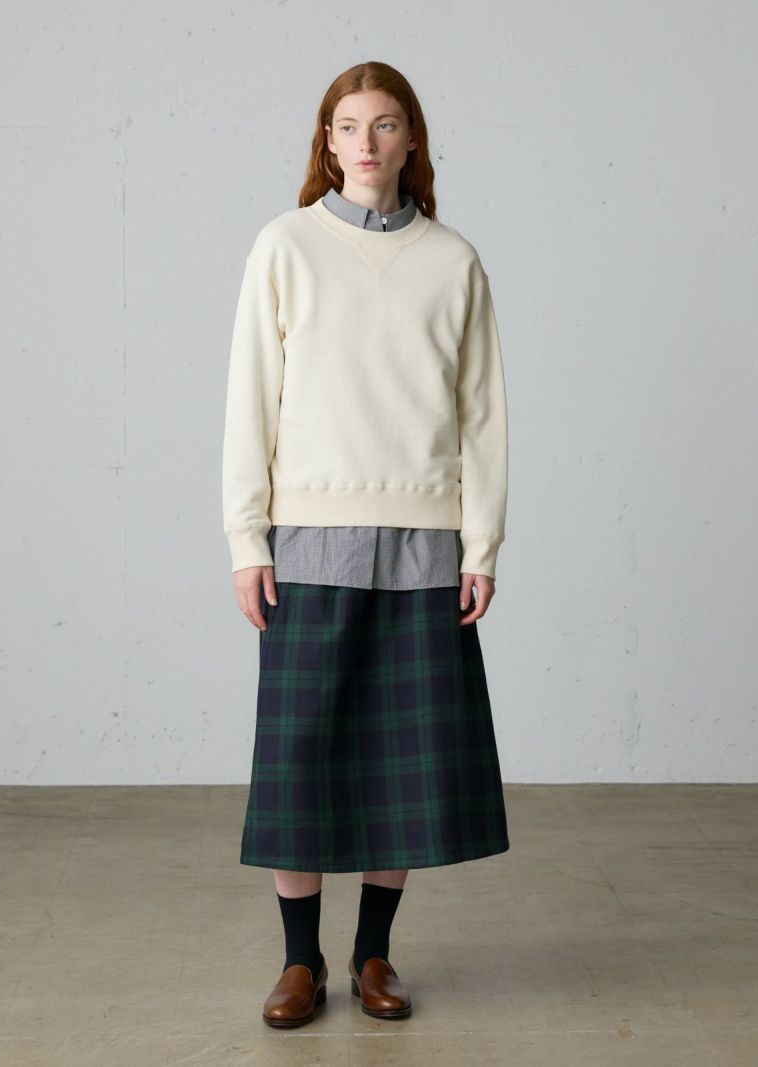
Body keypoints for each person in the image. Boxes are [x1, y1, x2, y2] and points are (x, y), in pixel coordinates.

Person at [222, 60, 511, 1029]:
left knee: (402, 765)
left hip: (426, 540)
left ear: (410, 138)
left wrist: (481, 546)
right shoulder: (285, 246)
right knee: (297, 759)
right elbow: (249, 400)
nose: (366, 142)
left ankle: (373, 951)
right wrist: (246, 537)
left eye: (385, 124)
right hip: (309, 536)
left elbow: (482, 416)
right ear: (328, 140)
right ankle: (298, 960)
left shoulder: (453, 261)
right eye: (348, 126)